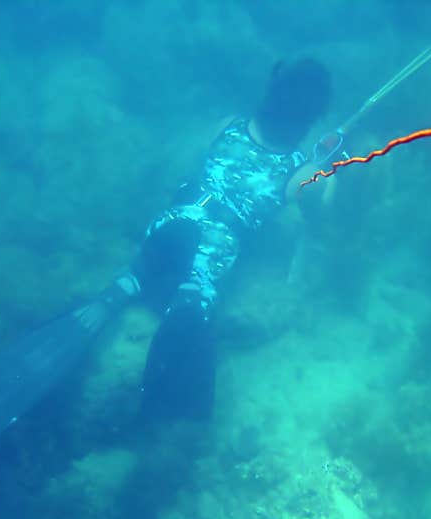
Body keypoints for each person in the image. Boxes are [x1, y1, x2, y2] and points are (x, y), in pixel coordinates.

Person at [103, 57, 334, 421]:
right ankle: (185, 310)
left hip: (173, 222)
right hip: (213, 247)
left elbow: (194, 166)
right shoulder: (301, 174)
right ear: (311, 119)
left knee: (149, 262)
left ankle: (127, 283)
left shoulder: (226, 126)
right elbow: (321, 214)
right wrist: (324, 163)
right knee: (196, 294)